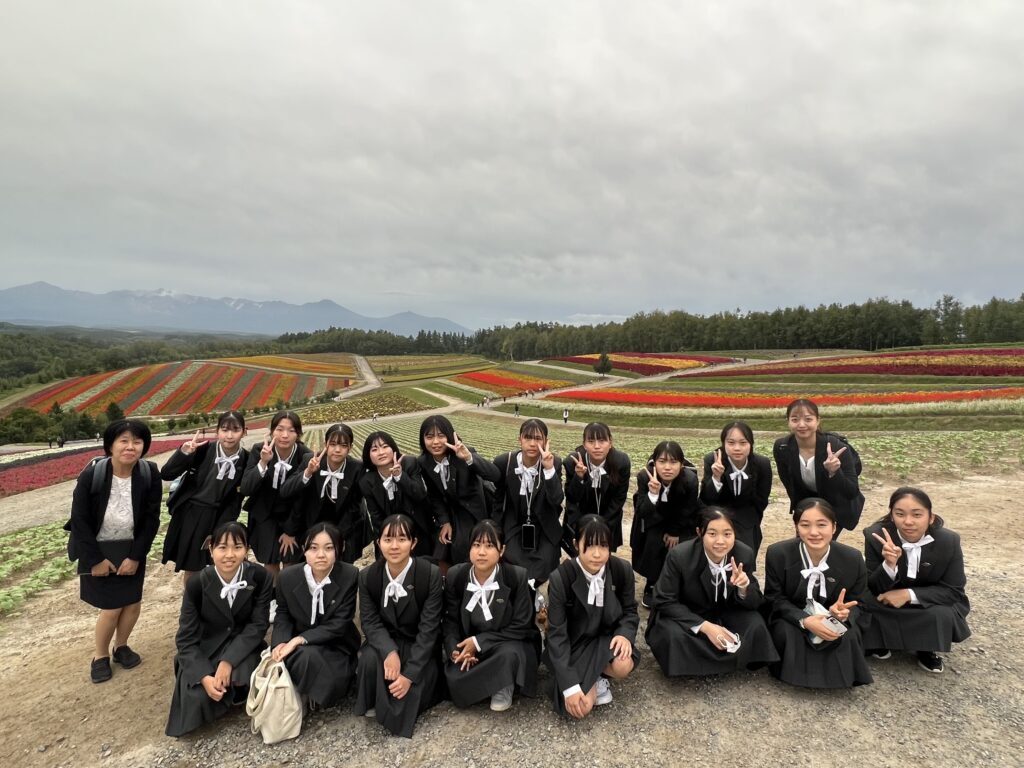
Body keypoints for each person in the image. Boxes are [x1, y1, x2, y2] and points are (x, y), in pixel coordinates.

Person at [69, 419, 162, 684]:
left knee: (132, 604)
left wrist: (136, 556)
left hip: (131, 548)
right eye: (124, 441)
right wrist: (95, 560)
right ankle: (100, 656)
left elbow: (151, 519)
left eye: (137, 441)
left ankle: (121, 646)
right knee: (111, 608)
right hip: (98, 548)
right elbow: (79, 520)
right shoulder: (93, 474)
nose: (130, 447)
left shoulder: (149, 474)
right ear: (110, 445)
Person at [165, 522, 273, 737]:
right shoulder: (197, 584)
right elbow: (186, 639)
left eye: (237, 547)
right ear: (211, 548)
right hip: (206, 648)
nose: (229, 555)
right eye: (222, 547)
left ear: (247, 549)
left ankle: (235, 691)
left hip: (242, 646)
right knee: (198, 697)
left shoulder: (260, 577)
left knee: (244, 678)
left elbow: (258, 625)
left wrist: (228, 661)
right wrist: (204, 676)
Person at [646, 507, 778, 677]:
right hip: (688, 614)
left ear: (734, 534)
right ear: (699, 533)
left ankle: (703, 661)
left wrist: (743, 588)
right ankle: (724, 659)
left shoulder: (743, 553)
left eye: (727, 534)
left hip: (724, 611)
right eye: (712, 534)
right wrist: (706, 627)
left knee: (756, 623)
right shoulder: (680, 555)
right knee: (671, 634)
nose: (720, 541)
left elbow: (755, 602)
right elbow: (664, 600)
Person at [764, 497, 872, 689]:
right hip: (794, 616)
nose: (814, 532)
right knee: (785, 631)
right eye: (805, 525)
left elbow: (860, 602)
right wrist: (804, 620)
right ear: (796, 527)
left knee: (847, 634)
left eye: (822, 525)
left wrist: (842, 614)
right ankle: (792, 672)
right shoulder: (778, 553)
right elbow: (774, 598)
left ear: (834, 527)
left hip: (834, 618)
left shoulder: (853, 558)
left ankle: (839, 674)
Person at [862, 487, 971, 673]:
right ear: (892, 516)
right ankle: (880, 642)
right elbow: (873, 586)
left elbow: (953, 590)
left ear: (931, 517)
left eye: (917, 514)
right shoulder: (876, 536)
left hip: (928, 601)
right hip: (887, 599)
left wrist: (908, 595)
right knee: (863, 603)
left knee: (942, 613)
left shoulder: (949, 541)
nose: (908, 521)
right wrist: (889, 565)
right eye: (900, 514)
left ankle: (925, 648)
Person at [354, 515, 444, 738]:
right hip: (387, 640)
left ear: (413, 543)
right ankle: (377, 698)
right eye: (388, 539)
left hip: (417, 644)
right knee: (369, 660)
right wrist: (389, 651)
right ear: (378, 543)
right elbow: (370, 621)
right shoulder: (368, 576)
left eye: (402, 539)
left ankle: (389, 701)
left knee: (414, 685)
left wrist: (409, 675)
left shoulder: (429, 574)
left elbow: (429, 629)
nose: (394, 546)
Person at [545, 515, 639, 720]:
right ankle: (593, 677)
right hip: (573, 646)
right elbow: (557, 634)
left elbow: (630, 611)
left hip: (606, 640)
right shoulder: (561, 578)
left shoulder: (621, 570)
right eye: (589, 546)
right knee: (581, 708)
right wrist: (570, 687)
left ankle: (598, 674)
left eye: (603, 546)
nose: (597, 554)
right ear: (575, 544)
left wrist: (624, 634)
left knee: (623, 665)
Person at [443, 520, 540, 711]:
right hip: (471, 647)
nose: (481, 552)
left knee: (510, 656)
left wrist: (479, 642)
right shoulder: (457, 575)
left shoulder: (516, 576)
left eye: (489, 546)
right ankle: (492, 681)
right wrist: (456, 650)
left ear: (501, 550)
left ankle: (503, 685)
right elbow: (450, 621)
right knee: (453, 676)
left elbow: (521, 626)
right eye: (476, 545)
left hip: (507, 642)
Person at [271, 523, 361, 710]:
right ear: (304, 549)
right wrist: (280, 641)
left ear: (339, 549)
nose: (321, 555)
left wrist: (299, 640)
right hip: (300, 646)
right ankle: (307, 696)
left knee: (336, 678)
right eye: (313, 548)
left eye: (328, 548)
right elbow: (283, 613)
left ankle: (307, 693)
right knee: (305, 657)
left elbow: (340, 622)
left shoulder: (349, 574)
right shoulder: (287, 577)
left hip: (337, 644)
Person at [161, 411, 249, 580]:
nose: (229, 435)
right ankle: (191, 597)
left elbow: (236, 499)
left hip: (219, 515)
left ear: (244, 432)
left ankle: (214, 597)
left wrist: (222, 527)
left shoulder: (245, 459)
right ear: (217, 431)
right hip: (191, 514)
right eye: (224, 430)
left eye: (235, 430)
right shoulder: (202, 450)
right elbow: (166, 474)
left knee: (222, 564)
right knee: (193, 567)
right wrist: (184, 452)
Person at [416, 415, 501, 567]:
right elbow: (434, 495)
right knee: (440, 547)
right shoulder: (424, 462)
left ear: (449, 436)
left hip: (475, 510)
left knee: (464, 547)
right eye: (429, 437)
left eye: (441, 436)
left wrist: (468, 457)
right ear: (423, 440)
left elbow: (495, 475)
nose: (435, 442)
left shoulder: (462, 453)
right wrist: (445, 521)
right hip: (452, 512)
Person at [773, 399, 864, 537]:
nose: (801, 424)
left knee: (822, 543)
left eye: (808, 419)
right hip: (807, 504)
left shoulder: (836, 447)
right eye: (795, 419)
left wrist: (834, 472)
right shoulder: (782, 447)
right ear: (788, 421)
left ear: (817, 421)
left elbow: (851, 491)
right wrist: (801, 509)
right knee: (803, 542)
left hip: (835, 505)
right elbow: (788, 483)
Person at [280, 423, 367, 564]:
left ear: (350, 448)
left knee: (341, 567)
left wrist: (338, 537)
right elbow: (288, 493)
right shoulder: (310, 460)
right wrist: (308, 472)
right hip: (311, 523)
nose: (337, 450)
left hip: (344, 526)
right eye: (332, 444)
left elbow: (354, 508)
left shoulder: (356, 468)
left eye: (343, 445)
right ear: (325, 444)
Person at [630, 440, 703, 608]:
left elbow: (688, 509)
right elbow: (642, 511)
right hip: (653, 519)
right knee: (653, 540)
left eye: (673, 462)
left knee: (681, 546)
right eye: (662, 461)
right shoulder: (644, 477)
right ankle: (652, 582)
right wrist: (653, 494)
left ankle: (677, 582)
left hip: (680, 522)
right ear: (654, 463)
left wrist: (674, 532)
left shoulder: (690, 479)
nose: (667, 467)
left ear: (681, 464)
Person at [239, 410, 313, 575]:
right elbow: (246, 488)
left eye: (291, 430)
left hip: (293, 515)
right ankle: (271, 591)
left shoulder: (305, 456)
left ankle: (287, 591)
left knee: (290, 560)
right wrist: (263, 462)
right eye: (279, 429)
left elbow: (303, 498)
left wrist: (290, 531)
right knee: (270, 560)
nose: (284, 435)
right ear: (272, 431)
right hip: (265, 514)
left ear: (298, 434)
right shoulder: (259, 450)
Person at [492, 419, 564, 586]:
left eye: (538, 438)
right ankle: (523, 591)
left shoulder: (554, 462)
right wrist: (495, 531)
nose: (532, 444)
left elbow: (556, 500)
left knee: (546, 560)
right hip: (514, 524)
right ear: (520, 439)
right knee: (511, 558)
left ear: (546, 441)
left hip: (544, 526)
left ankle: (534, 589)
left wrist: (549, 469)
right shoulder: (505, 462)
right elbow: (498, 501)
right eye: (528, 438)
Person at [699, 421, 772, 562]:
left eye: (743, 443)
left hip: (747, 517)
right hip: (718, 515)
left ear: (751, 444)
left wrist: (751, 522)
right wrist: (716, 477)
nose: (737, 448)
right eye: (731, 443)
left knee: (745, 559)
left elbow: (762, 499)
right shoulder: (713, 460)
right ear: (723, 443)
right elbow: (706, 499)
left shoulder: (762, 463)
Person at [358, 431, 434, 558]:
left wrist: (400, 476)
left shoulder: (409, 463)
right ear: (368, 455)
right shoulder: (367, 481)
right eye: (374, 449)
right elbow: (376, 517)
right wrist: (384, 541)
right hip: (391, 533)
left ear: (393, 448)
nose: (381, 452)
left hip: (418, 528)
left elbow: (420, 494)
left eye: (385, 446)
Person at [563, 422, 631, 557]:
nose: (597, 446)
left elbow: (618, 499)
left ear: (610, 442)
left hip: (609, 519)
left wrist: (603, 527)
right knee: (580, 559)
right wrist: (579, 478)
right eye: (591, 441)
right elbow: (572, 499)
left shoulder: (621, 462)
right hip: (579, 521)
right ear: (584, 444)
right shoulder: (572, 462)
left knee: (601, 558)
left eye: (602, 441)